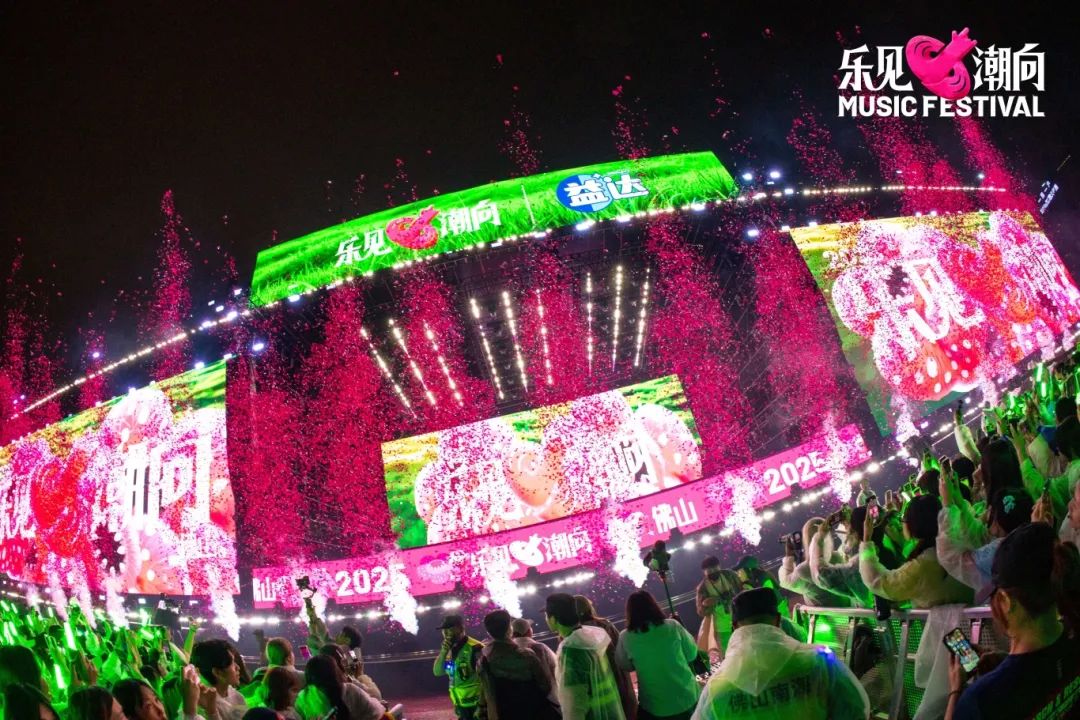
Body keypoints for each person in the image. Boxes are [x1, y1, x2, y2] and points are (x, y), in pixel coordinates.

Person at [948, 523, 1080, 719]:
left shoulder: (981, 699)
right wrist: (1004, 663)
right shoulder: (1074, 636)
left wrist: (956, 690)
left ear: (1005, 600)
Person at [690, 587, 869, 719]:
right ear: (778, 620)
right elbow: (856, 709)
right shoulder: (819, 660)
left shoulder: (716, 688)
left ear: (734, 627)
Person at [615, 590, 699, 720]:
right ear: (653, 605)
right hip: (687, 697)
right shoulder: (673, 626)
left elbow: (624, 665)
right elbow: (691, 654)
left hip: (654, 705)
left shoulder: (625, 636)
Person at [545, 593, 625, 720]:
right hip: (611, 711)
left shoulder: (571, 649)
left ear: (553, 619)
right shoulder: (592, 637)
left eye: (546, 616)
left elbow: (573, 702)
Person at [476, 609, 559, 720]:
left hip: (499, 714)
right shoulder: (527, 655)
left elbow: (484, 690)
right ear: (509, 629)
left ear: (488, 632)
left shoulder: (483, 660)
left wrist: (481, 708)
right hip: (531, 712)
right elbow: (545, 686)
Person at [574, 595, 635, 720]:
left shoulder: (574, 634)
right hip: (617, 679)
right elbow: (620, 650)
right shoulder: (604, 625)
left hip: (597, 689)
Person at [778, 517, 851, 607]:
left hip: (824, 615)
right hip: (848, 608)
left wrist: (789, 554)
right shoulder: (838, 557)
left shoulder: (804, 569)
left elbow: (785, 581)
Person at [295, 655, 385, 720]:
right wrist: (360, 675)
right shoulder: (350, 690)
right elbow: (376, 712)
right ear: (336, 671)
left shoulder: (302, 697)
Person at [433, 615, 484, 720]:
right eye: (444, 630)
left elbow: (487, 680)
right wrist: (443, 652)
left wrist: (482, 706)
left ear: (461, 628)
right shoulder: (449, 650)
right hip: (460, 706)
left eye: (450, 629)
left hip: (478, 707)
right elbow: (437, 672)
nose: (446, 633)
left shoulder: (476, 648)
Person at [191, 639, 249, 720]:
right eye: (232, 663)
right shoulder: (200, 705)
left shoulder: (237, 697)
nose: (238, 667)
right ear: (218, 672)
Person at [695, 557, 741, 659]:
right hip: (722, 626)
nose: (713, 572)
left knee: (744, 647)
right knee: (728, 655)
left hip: (740, 619)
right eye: (709, 571)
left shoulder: (730, 575)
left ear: (719, 566)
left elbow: (741, 590)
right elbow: (700, 612)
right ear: (704, 572)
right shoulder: (702, 588)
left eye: (715, 569)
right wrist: (705, 604)